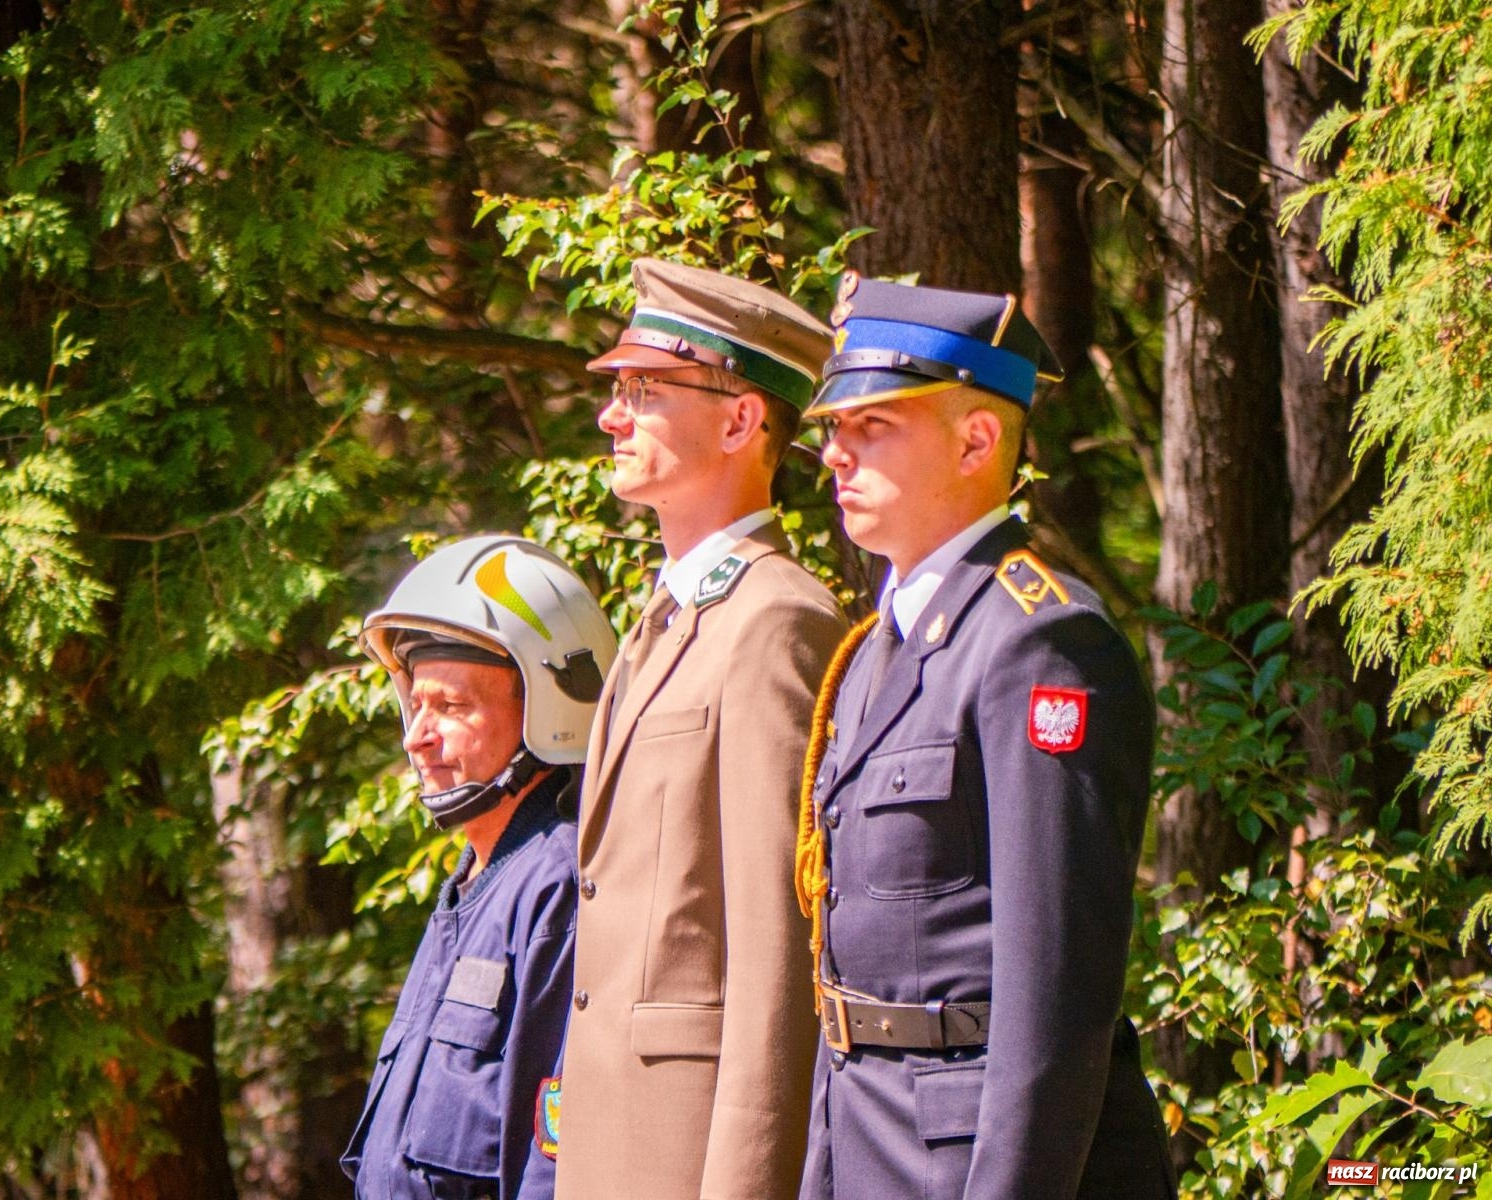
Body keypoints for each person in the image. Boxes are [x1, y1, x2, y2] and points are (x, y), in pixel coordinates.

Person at [794, 275, 1177, 1200]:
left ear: (976, 439)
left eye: (873, 426)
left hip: (974, 1162)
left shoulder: (1038, 643)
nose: (836, 457)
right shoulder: (876, 650)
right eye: (833, 431)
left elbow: (1057, 996)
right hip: (869, 1139)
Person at [554, 259, 847, 1200]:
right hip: (615, 1141)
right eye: (617, 389)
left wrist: (749, 1184)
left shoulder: (776, 621)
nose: (612, 415)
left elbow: (777, 943)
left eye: (644, 390)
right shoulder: (666, 618)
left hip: (690, 1160)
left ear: (738, 420)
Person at [342, 535, 617, 1200]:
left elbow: (551, 1171)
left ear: (549, 714)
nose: (416, 737)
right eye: (416, 705)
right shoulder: (472, 886)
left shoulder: (558, 890)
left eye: (452, 707)